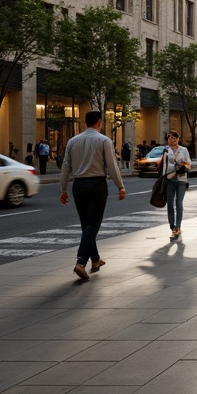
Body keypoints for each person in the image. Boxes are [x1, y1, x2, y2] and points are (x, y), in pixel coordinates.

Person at [59, 110, 126, 281]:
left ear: (85, 122)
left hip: (78, 185)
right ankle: (81, 261)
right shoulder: (104, 140)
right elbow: (112, 165)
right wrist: (120, 186)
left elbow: (66, 166)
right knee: (94, 223)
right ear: (99, 122)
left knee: (86, 224)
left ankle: (95, 260)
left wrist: (63, 189)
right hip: (97, 184)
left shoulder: (72, 141)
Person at [161, 131, 191, 239]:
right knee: (169, 203)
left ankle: (178, 226)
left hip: (182, 179)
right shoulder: (166, 150)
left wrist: (183, 164)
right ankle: (172, 226)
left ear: (178, 139)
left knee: (179, 203)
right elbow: (163, 166)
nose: (171, 140)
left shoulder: (184, 150)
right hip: (169, 179)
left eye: (173, 138)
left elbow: (189, 165)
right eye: (169, 138)